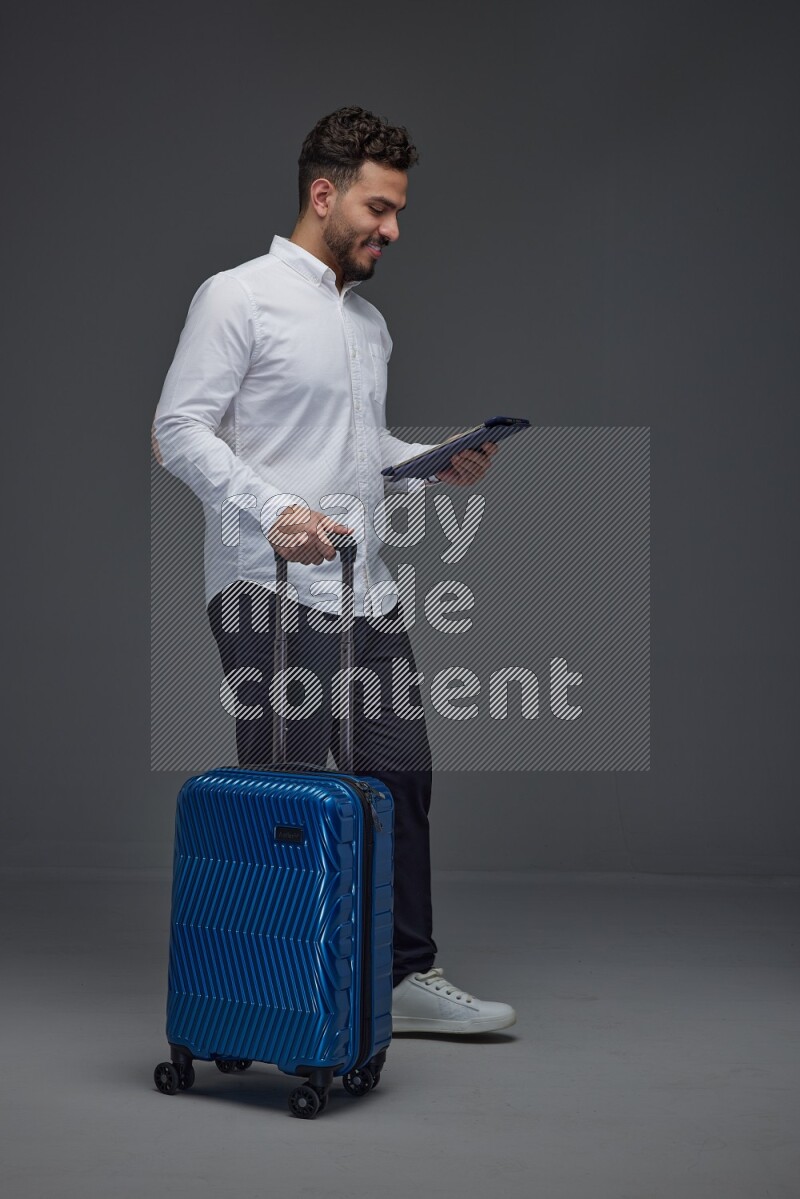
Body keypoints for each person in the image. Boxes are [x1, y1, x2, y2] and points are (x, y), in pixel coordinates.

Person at [152, 105, 516, 1034]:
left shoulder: (369, 327)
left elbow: (352, 456)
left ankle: (402, 975)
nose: (393, 230)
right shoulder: (237, 296)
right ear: (326, 194)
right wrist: (274, 510)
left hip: (365, 588)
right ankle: (277, 990)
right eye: (381, 208)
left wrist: (433, 460)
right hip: (266, 589)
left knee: (402, 774)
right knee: (288, 785)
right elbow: (177, 430)